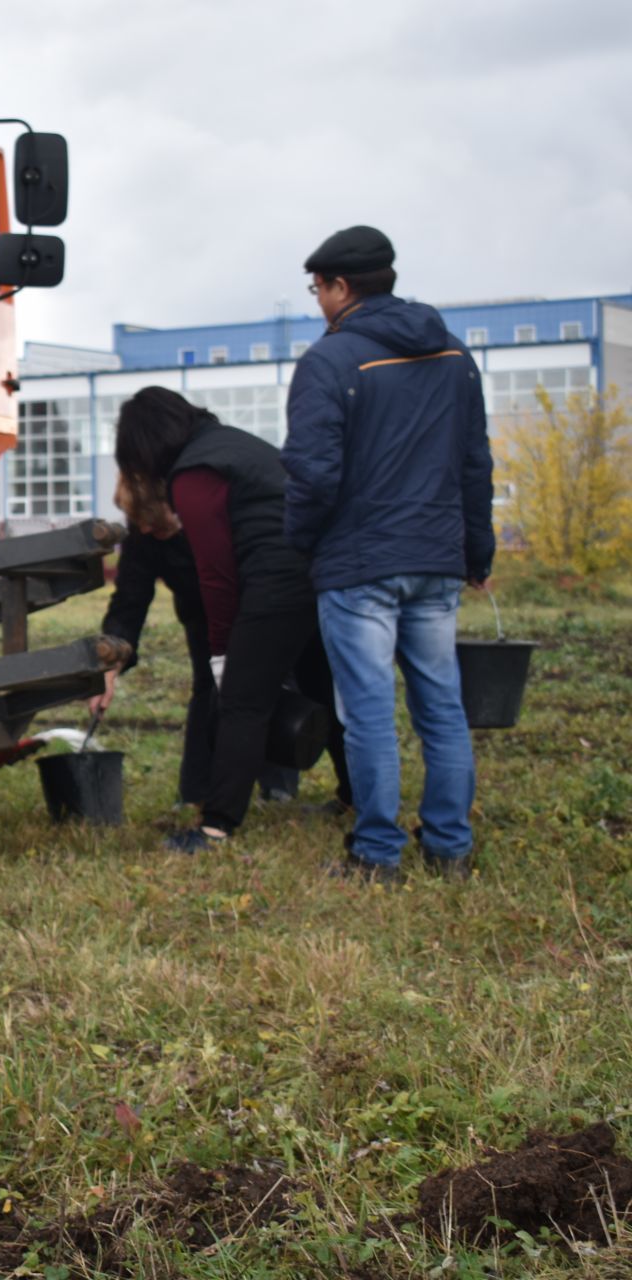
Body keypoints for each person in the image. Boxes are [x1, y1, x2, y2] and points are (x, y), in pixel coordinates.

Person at [283, 225, 495, 883]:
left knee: (368, 710)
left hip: (359, 564)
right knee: (442, 706)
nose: (318, 300)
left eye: (318, 288)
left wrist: (303, 544)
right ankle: (450, 850)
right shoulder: (454, 356)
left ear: (341, 287)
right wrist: (476, 551)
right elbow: (474, 464)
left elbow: (312, 473)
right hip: (436, 559)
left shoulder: (330, 361)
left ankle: (377, 855)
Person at [112, 387, 351, 854]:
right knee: (324, 686)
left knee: (242, 701)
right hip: (321, 570)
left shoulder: (195, 472)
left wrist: (224, 652)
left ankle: (216, 826)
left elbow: (217, 576)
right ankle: (353, 795)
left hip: (275, 580)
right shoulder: (236, 445)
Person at [92, 476, 300, 808]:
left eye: (152, 522)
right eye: (138, 522)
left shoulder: (215, 510)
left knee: (269, 683)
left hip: (253, 602)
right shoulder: (143, 532)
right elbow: (129, 601)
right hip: (200, 614)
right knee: (207, 690)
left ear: (173, 506)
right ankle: (194, 793)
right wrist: (110, 666)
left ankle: (278, 785)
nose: (145, 531)